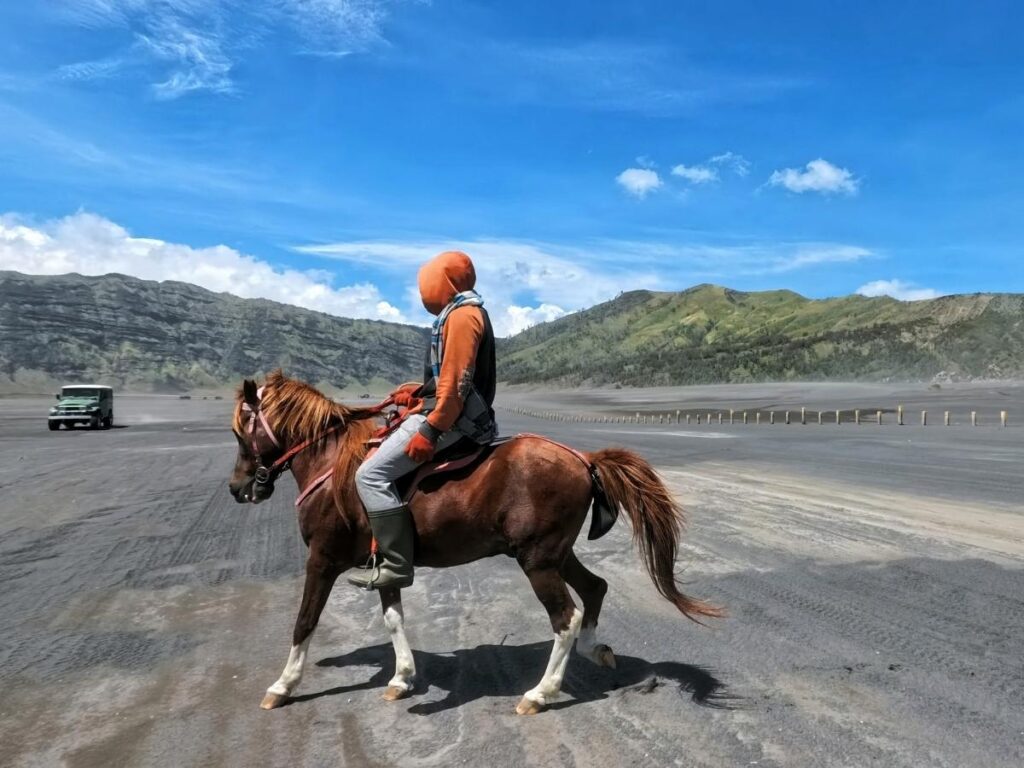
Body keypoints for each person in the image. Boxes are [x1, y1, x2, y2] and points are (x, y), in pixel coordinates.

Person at [348, 250, 497, 590]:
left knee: (370, 475)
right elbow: (447, 380)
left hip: (457, 421)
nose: (421, 292)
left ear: (445, 281)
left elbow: (456, 385)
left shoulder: (462, 317)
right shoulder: (458, 314)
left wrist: (430, 429)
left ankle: (396, 564)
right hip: (453, 412)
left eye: (425, 284)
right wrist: (417, 394)